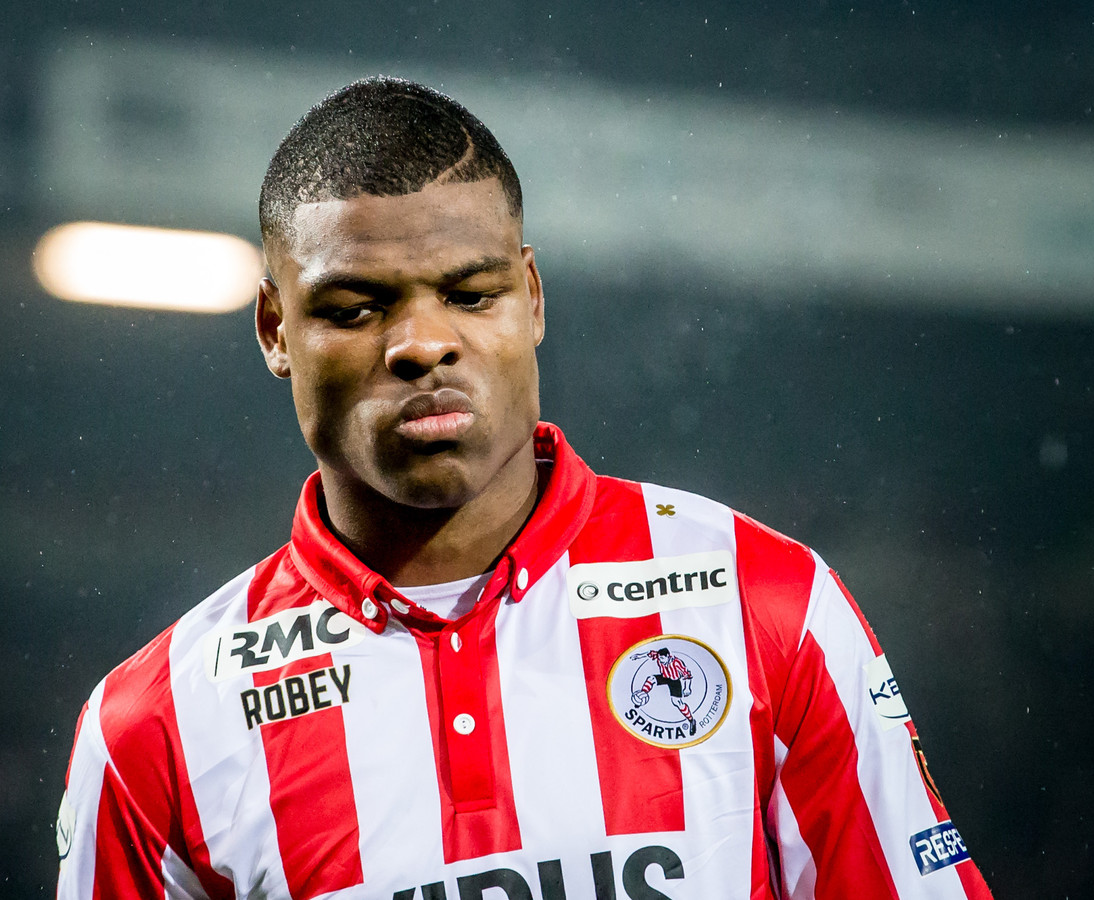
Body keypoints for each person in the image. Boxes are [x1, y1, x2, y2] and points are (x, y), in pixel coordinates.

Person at [56, 76, 994, 900]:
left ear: (533, 298)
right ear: (274, 329)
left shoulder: (763, 603)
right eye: (356, 307)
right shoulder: (155, 730)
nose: (424, 343)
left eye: (471, 295)